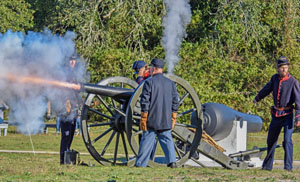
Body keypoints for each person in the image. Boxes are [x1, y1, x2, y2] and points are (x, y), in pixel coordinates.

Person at [253, 56, 300, 171]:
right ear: (278, 69)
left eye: (286, 67)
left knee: (287, 140)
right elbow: (267, 89)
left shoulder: (293, 82)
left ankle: (288, 167)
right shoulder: (274, 79)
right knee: (271, 140)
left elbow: (299, 100)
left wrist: (298, 118)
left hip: (288, 115)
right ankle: (267, 166)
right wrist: (257, 98)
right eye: (282, 68)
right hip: (276, 114)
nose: (284, 70)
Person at [135, 58, 179, 168]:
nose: (149, 70)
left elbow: (145, 101)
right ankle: (172, 162)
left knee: (146, 141)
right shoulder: (171, 83)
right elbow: (175, 101)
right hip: (165, 118)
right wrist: (173, 116)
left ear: (154, 68)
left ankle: (140, 163)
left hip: (152, 118)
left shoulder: (149, 82)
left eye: (150, 68)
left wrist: (144, 117)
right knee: (167, 139)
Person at [59, 54, 81, 164]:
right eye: (71, 60)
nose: (72, 62)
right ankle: (63, 159)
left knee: (71, 134)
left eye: (74, 60)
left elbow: (77, 92)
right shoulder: (64, 73)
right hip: (65, 108)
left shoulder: (76, 74)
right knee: (66, 135)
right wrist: (66, 101)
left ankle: (67, 157)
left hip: (74, 109)